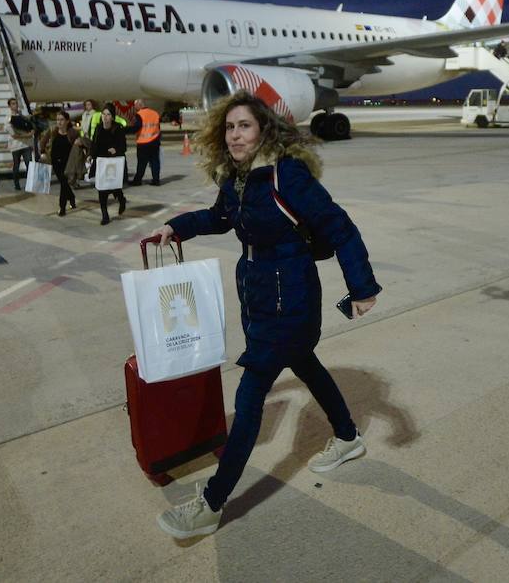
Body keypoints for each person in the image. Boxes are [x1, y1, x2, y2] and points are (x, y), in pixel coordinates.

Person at [150, 91, 381, 539]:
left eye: (245, 126)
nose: (236, 135)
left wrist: (362, 287)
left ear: (264, 131)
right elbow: (220, 218)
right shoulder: (237, 179)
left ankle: (211, 504)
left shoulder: (286, 176)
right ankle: (349, 437)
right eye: (230, 127)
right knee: (306, 363)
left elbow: (339, 226)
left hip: (290, 297)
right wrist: (177, 227)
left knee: (250, 395)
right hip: (259, 294)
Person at [91, 104, 128, 225]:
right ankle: (105, 215)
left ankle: (121, 200)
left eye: (108, 115)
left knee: (115, 188)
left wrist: (116, 149)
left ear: (112, 117)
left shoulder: (118, 128)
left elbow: (123, 146)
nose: (105, 117)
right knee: (102, 190)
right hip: (101, 162)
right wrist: (91, 156)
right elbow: (94, 144)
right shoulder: (98, 128)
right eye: (104, 114)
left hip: (113, 163)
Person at [40, 111, 79, 215]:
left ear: (67, 121)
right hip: (55, 162)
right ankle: (71, 197)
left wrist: (79, 144)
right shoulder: (53, 130)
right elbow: (42, 142)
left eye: (61, 120)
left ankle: (62, 207)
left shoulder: (73, 133)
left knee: (63, 183)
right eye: (57, 120)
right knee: (64, 183)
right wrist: (43, 152)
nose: (59, 122)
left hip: (68, 162)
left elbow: (79, 145)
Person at [128, 98, 163, 186]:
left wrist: (124, 130)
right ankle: (156, 180)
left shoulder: (139, 114)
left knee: (141, 163)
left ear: (139, 105)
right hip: (154, 141)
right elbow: (158, 128)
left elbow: (137, 127)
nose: (135, 107)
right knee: (155, 162)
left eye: (135, 105)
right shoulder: (155, 113)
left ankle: (137, 180)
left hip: (143, 143)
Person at [5, 97, 33, 191]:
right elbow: (13, 133)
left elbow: (28, 125)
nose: (15, 105)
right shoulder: (8, 117)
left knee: (29, 164)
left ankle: (30, 184)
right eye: (13, 104)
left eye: (16, 103)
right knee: (16, 165)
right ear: (9, 106)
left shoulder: (21, 115)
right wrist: (26, 135)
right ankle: (16, 184)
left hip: (26, 145)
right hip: (16, 145)